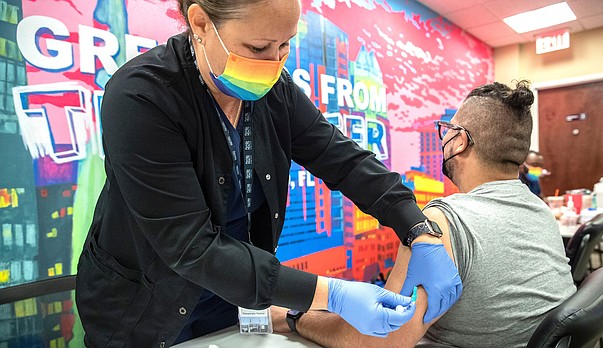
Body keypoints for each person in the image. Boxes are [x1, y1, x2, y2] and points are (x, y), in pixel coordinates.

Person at [74, 0, 462, 346]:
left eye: (285, 45)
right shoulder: (142, 97)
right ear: (201, 23)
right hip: (141, 310)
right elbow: (191, 246)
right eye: (258, 48)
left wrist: (416, 226)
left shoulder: (274, 92)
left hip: (231, 299)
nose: (275, 64)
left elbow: (344, 160)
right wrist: (334, 295)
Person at [271, 80, 576, 347]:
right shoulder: (542, 211)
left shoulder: (441, 222)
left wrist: (293, 317)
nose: (444, 139)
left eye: (448, 131)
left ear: (459, 141)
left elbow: (378, 342)